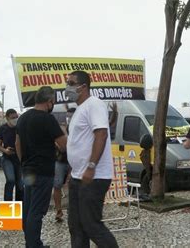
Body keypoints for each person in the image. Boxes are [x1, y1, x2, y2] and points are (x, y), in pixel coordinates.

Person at [65, 71, 118, 248]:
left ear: (84, 86)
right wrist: (73, 172)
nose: (68, 87)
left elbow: (101, 134)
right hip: (78, 176)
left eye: (71, 83)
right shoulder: (80, 109)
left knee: (91, 225)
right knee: (76, 225)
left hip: (94, 177)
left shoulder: (93, 104)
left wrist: (91, 166)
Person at [15, 86, 67, 248]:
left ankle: (32, 242)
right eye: (53, 102)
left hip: (28, 169)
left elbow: (17, 143)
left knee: (28, 208)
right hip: (43, 171)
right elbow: (64, 145)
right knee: (37, 212)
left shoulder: (23, 118)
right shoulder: (47, 119)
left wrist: (23, 161)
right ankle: (33, 245)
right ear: (49, 101)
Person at [53, 107, 75, 222]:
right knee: (57, 185)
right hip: (61, 160)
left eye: (71, 116)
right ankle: (58, 210)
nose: (69, 118)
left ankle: (73, 211)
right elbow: (60, 146)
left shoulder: (79, 129)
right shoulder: (62, 129)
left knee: (73, 186)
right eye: (68, 116)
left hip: (74, 162)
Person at [0, 108, 23, 201]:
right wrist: (5, 150)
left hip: (19, 158)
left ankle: (20, 207)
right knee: (11, 180)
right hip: (7, 158)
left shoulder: (20, 127)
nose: (15, 119)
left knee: (20, 184)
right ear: (7, 118)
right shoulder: (2, 129)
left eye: (16, 117)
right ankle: (8, 206)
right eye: (13, 117)